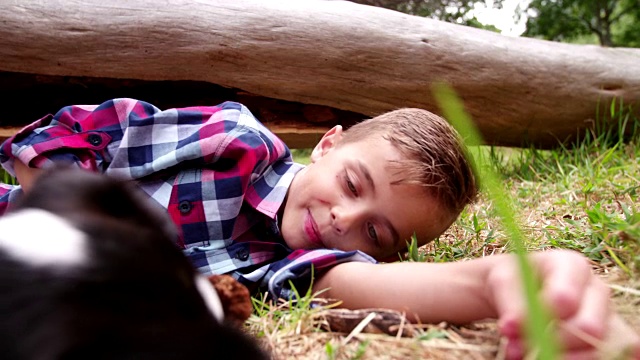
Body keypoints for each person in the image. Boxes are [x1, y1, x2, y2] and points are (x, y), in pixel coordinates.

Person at [1, 99, 638, 359]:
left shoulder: (279, 269)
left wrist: (508, 276)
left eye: (378, 235)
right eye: (355, 186)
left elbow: (369, 290)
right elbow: (74, 131)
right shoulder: (232, 140)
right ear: (329, 144)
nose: (344, 220)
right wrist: (64, 213)